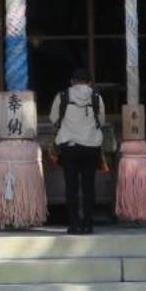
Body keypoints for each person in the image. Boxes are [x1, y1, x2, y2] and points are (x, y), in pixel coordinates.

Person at [50, 66, 107, 235]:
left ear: (72, 81)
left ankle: (74, 225)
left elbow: (54, 119)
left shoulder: (62, 95)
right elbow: (101, 121)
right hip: (91, 147)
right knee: (89, 187)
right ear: (90, 82)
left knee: (71, 187)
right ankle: (88, 224)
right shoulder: (96, 96)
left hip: (69, 148)